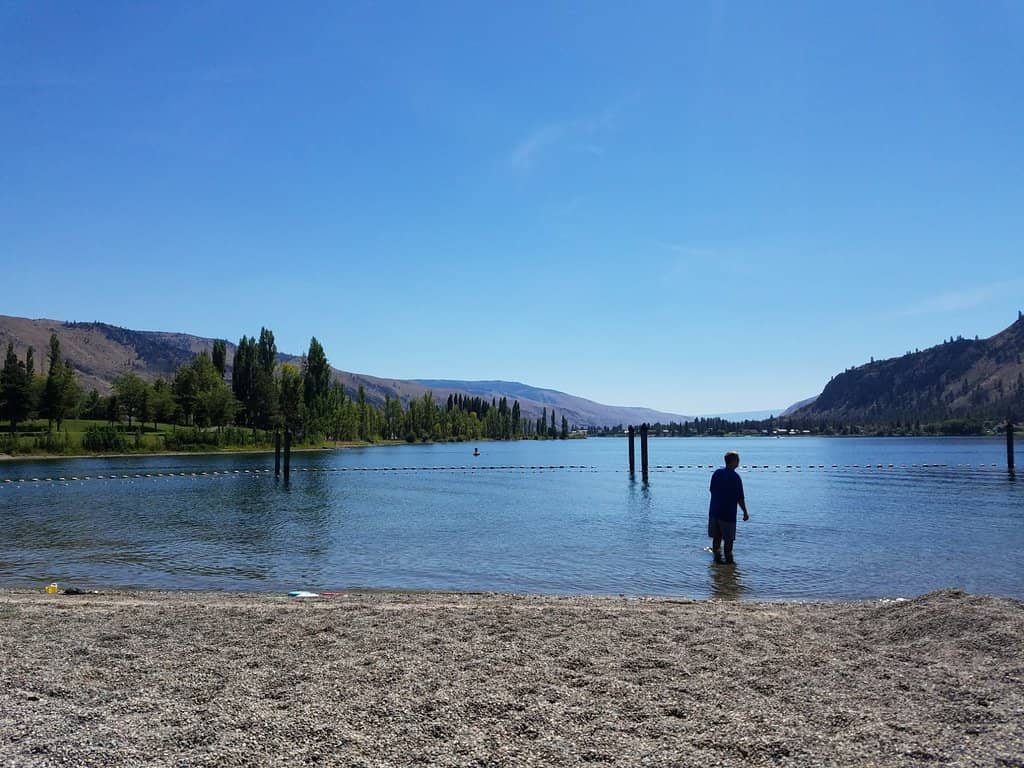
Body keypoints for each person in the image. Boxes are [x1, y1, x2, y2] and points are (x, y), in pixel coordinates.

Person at [708, 450, 749, 565]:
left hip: (714, 511)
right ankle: (729, 564)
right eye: (738, 460)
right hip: (727, 513)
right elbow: (740, 497)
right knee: (728, 541)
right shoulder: (735, 477)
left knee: (716, 538)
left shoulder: (716, 473)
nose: (739, 462)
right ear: (734, 461)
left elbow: (711, 490)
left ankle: (717, 561)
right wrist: (745, 512)